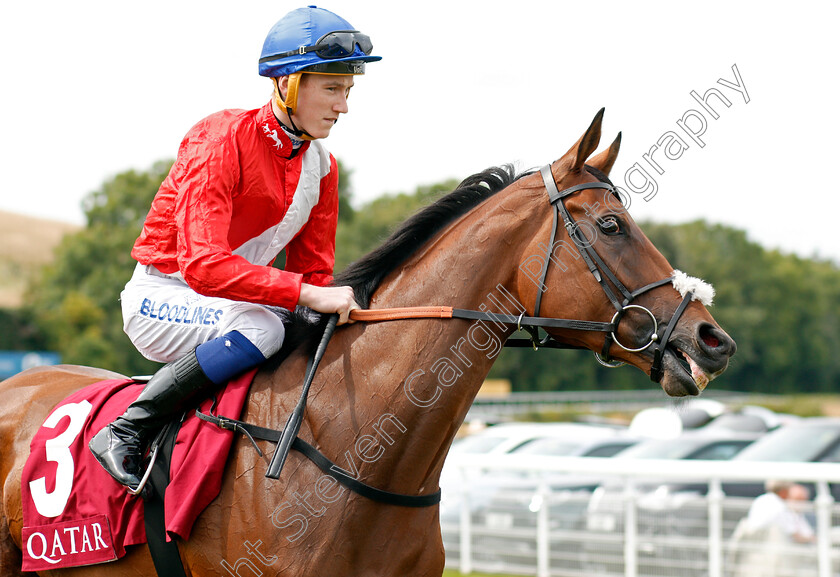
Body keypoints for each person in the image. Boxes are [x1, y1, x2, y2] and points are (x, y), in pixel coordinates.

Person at [89, 6, 380, 492]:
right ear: (287, 84)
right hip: (162, 297)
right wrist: (305, 297)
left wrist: (329, 307)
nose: (343, 106)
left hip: (233, 301)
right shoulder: (220, 136)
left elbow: (313, 275)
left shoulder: (323, 167)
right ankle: (126, 428)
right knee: (265, 326)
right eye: (331, 89)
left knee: (309, 329)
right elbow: (203, 266)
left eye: (347, 91)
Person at [744, 480, 815, 544]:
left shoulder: (760, 500)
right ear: (783, 491)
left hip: (754, 546)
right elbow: (795, 535)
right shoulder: (780, 506)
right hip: (771, 549)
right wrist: (814, 539)